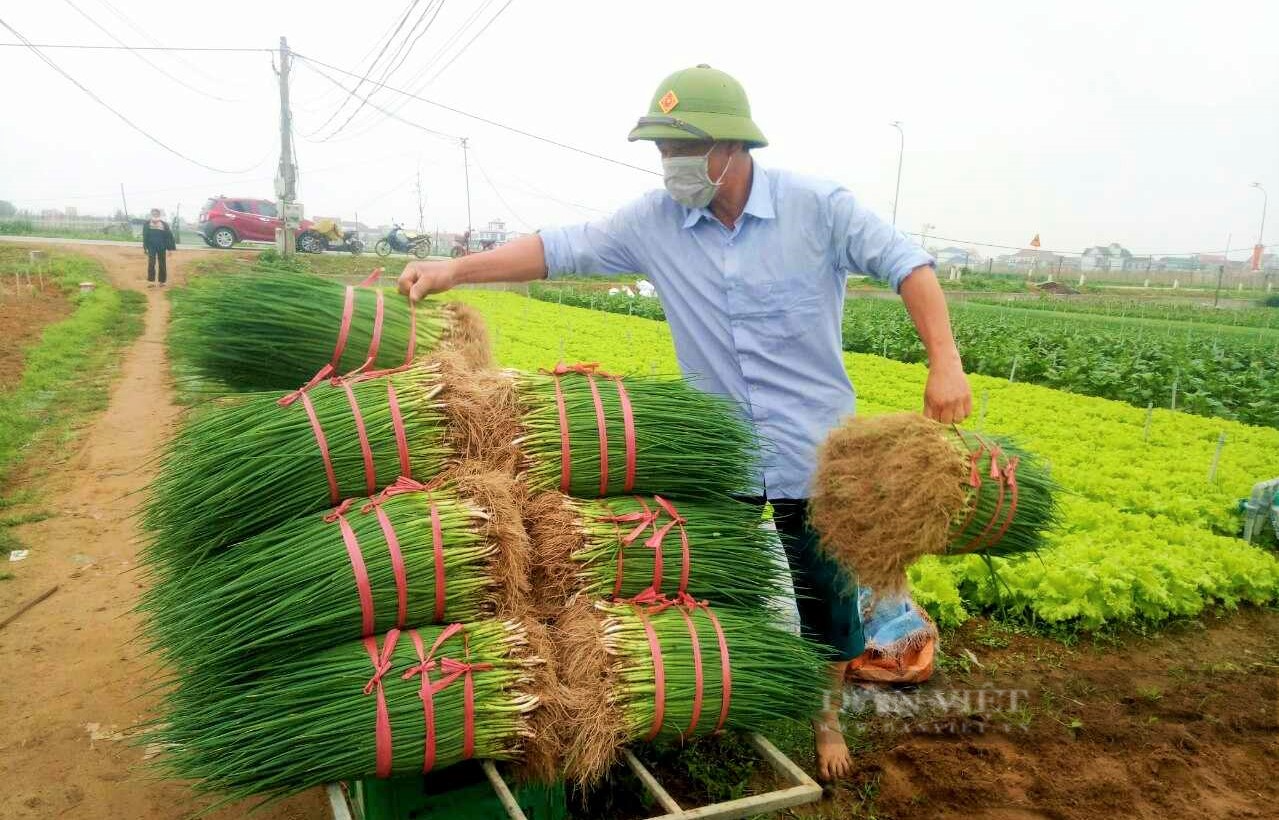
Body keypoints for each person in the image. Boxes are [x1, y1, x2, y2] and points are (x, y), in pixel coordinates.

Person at [398, 65, 972, 780]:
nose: (670, 166)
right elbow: (556, 249)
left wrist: (943, 361)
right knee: (714, 584)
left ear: (731, 149)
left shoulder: (816, 207)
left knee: (826, 596)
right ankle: (723, 691)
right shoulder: (653, 223)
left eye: (682, 150)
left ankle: (825, 723)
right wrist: (455, 271)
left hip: (814, 452)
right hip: (718, 454)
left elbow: (906, 264)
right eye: (662, 151)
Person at [142, 208, 176, 287]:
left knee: (162, 263)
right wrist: (145, 248)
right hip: (151, 247)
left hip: (162, 246)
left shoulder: (163, 224)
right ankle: (151, 282)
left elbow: (168, 237)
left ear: (159, 214)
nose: (155, 214)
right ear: (151, 214)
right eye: (153, 213)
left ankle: (162, 282)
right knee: (151, 263)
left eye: (156, 213)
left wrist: (169, 249)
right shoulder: (147, 224)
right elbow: (145, 236)